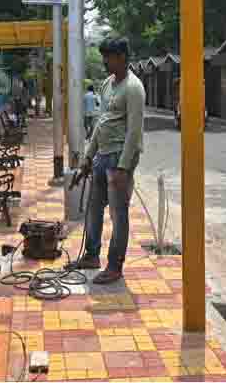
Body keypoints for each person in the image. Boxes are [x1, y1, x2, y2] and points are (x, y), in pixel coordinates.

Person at [72, 36, 145, 284]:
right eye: (103, 56)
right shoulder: (107, 84)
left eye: (108, 57)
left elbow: (134, 131)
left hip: (118, 159)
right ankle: (92, 255)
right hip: (102, 156)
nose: (104, 61)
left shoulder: (134, 88)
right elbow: (101, 124)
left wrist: (124, 167)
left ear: (122, 57)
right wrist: (87, 158)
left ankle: (115, 267)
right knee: (93, 208)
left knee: (118, 213)